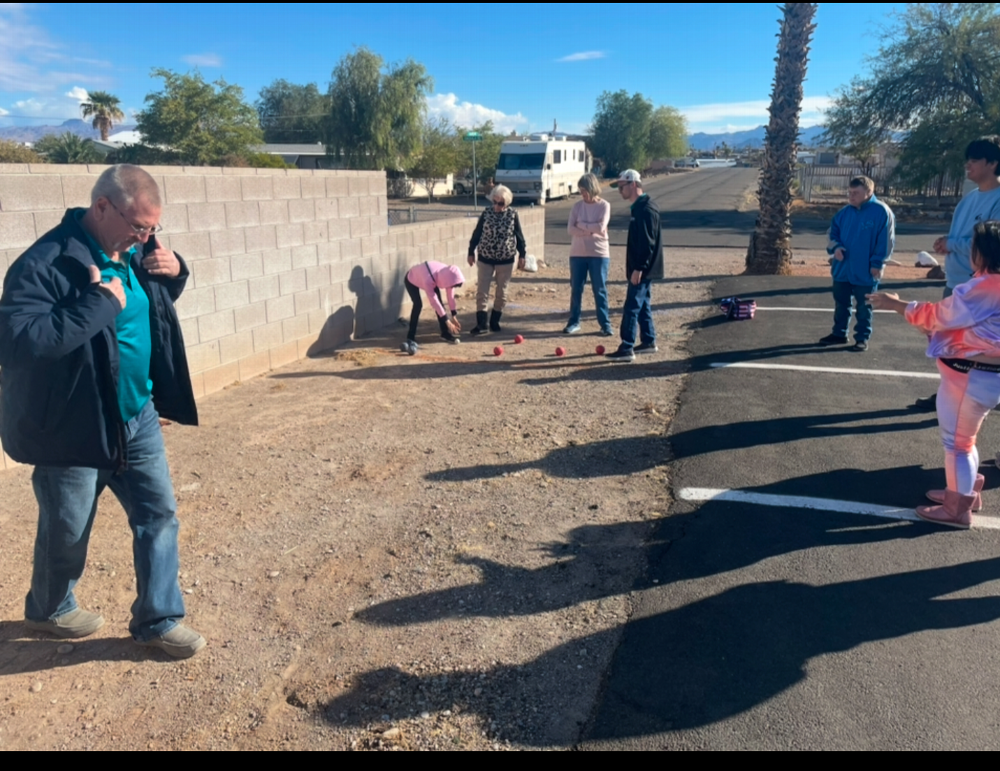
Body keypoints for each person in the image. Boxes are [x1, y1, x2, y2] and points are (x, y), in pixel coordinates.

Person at [0, 165, 205, 659]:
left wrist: (177, 272)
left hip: (136, 415)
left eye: (153, 228)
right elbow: (19, 342)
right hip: (74, 424)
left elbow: (142, 308)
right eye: (139, 226)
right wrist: (96, 303)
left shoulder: (131, 251)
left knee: (158, 516)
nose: (146, 237)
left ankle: (158, 619)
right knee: (67, 530)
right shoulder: (44, 263)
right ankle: (48, 608)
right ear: (101, 207)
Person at [868, 221, 1000, 529]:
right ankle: (964, 491)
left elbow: (939, 316)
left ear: (983, 253)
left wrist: (895, 304)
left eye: (973, 248)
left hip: (969, 376)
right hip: (983, 377)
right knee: (965, 439)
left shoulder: (984, 287)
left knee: (957, 443)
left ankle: (957, 508)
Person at [913, 136, 1000, 411]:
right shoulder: (969, 199)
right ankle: (948, 393)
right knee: (950, 343)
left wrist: (953, 245)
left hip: (982, 289)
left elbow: (988, 245)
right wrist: (946, 242)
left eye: (974, 160)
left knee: (981, 348)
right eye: (968, 159)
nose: (968, 165)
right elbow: (962, 237)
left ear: (993, 163)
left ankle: (975, 398)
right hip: (956, 282)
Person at [819, 176, 896, 353]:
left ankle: (861, 338)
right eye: (850, 193)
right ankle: (838, 333)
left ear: (869, 192)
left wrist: (877, 263)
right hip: (842, 269)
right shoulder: (844, 213)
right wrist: (836, 248)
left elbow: (885, 242)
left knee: (864, 306)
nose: (851, 196)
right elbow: (832, 234)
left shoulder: (881, 212)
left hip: (866, 270)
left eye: (856, 193)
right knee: (841, 303)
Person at [607, 170, 662, 362]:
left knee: (632, 305)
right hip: (641, 267)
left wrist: (639, 267)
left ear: (633, 185)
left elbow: (648, 242)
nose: (619, 190)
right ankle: (648, 340)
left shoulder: (645, 209)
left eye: (621, 187)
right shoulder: (639, 208)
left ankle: (627, 346)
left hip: (642, 268)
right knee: (643, 303)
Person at [467, 185, 527, 336]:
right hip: (485, 258)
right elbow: (477, 233)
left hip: (505, 259)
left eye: (500, 203)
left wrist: (522, 254)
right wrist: (471, 251)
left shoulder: (513, 215)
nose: (496, 206)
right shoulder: (486, 213)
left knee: (502, 293)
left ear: (506, 204)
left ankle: (494, 320)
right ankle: (481, 324)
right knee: (482, 291)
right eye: (495, 202)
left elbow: (519, 236)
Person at [565, 173, 613, 336]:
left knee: (599, 289)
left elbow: (601, 227)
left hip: (599, 254)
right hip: (577, 253)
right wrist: (590, 230)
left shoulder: (604, 206)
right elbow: (570, 229)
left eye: (584, 190)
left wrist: (582, 226)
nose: (582, 194)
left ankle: (605, 324)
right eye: (580, 190)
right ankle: (574, 321)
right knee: (576, 289)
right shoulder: (577, 207)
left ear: (592, 188)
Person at [402, 261, 465, 352]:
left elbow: (450, 296)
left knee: (440, 304)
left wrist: (453, 315)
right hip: (411, 279)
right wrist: (447, 322)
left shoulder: (448, 273)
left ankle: (445, 333)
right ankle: (410, 336)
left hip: (431, 277)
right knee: (418, 305)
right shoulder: (429, 280)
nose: (452, 287)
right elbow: (434, 302)